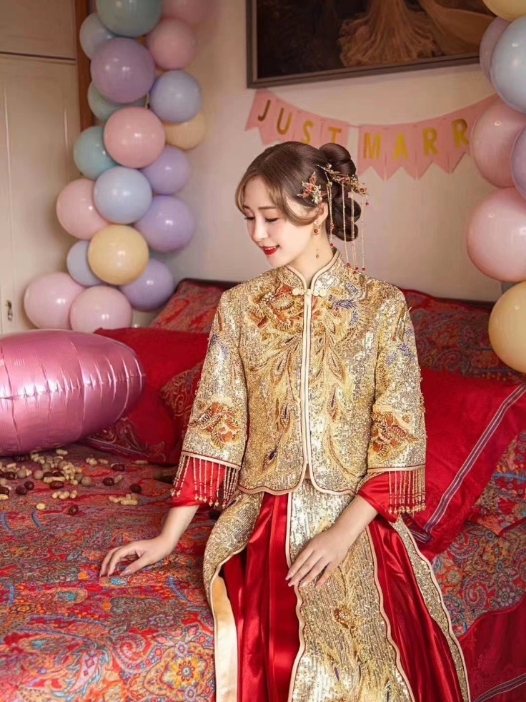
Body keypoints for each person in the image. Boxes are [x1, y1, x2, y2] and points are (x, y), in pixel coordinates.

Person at [101, 141, 470, 702]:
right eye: (249, 217)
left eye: (270, 217)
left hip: (356, 518)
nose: (257, 233)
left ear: (317, 209)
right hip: (265, 514)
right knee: (288, 651)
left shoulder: (381, 307)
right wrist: (167, 537)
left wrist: (342, 534)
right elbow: (217, 422)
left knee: (374, 663)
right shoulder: (240, 308)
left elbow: (399, 433)